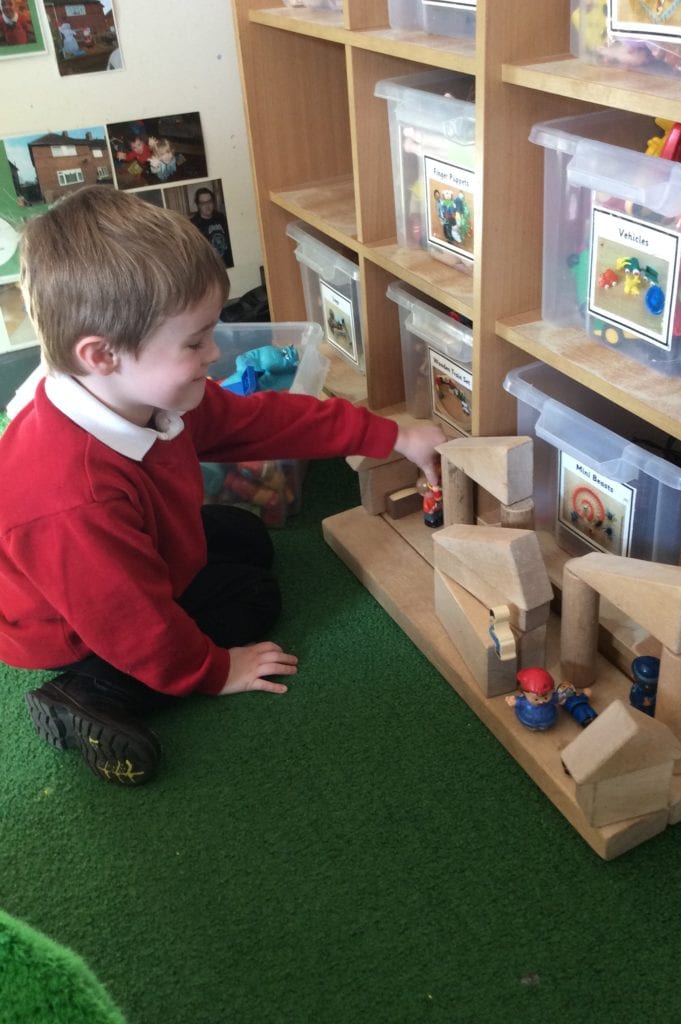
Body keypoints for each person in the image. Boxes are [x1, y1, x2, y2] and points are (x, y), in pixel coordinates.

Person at [0, 186, 446, 786]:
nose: (214, 354)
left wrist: (390, 435)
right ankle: (86, 693)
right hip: (72, 625)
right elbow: (132, 623)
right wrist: (215, 671)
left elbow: (262, 421)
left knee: (243, 535)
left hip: (118, 559)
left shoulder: (142, 395)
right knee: (254, 599)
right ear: (102, 355)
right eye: (194, 342)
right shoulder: (72, 498)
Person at [190, 186, 234, 268]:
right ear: (198, 205)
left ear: (213, 202)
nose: (207, 206)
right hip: (210, 268)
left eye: (209, 201)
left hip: (227, 265)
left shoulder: (221, 218)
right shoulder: (193, 224)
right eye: (203, 203)